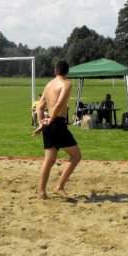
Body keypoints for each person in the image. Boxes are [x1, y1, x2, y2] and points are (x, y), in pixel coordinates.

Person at [32, 59, 81, 200]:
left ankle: (41, 193)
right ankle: (59, 187)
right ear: (67, 72)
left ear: (55, 71)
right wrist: (52, 119)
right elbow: (59, 104)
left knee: (48, 161)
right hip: (57, 123)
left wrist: (42, 123)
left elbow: (40, 107)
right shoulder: (66, 84)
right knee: (76, 156)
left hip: (48, 124)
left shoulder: (48, 85)